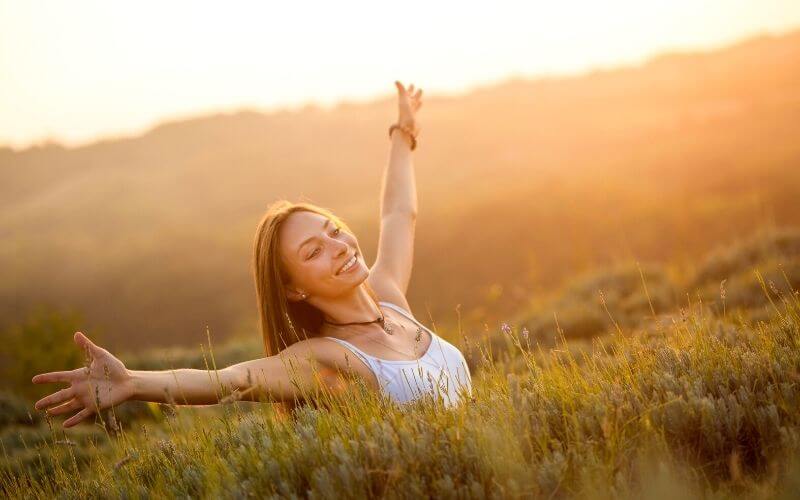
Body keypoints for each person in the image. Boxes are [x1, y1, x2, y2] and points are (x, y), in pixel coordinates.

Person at [32, 81, 473, 428]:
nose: (340, 246)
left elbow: (398, 214)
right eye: (314, 251)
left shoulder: (390, 298)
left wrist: (403, 133)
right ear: (294, 288)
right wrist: (133, 383)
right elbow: (232, 381)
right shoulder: (321, 357)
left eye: (334, 230)